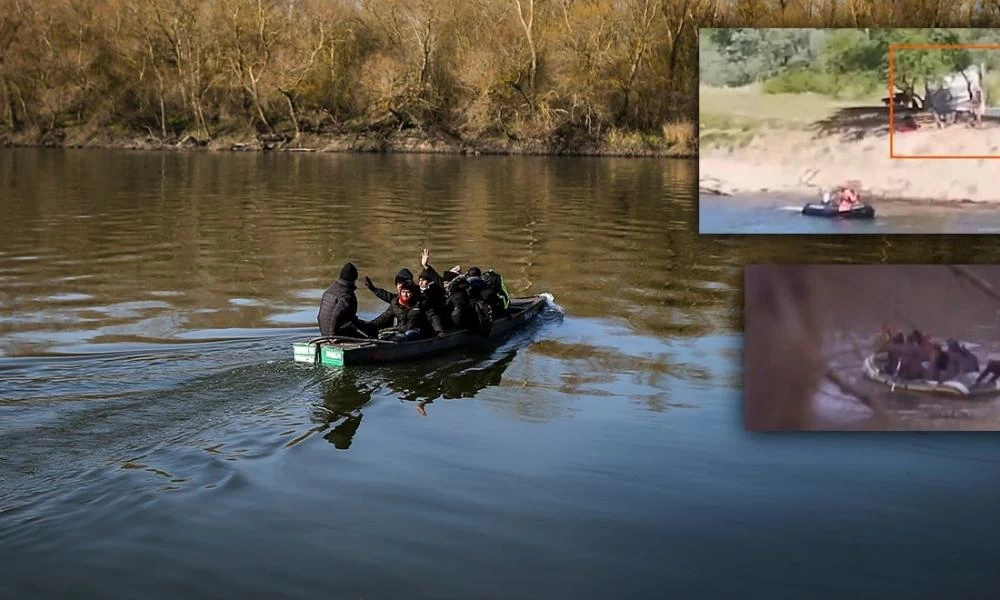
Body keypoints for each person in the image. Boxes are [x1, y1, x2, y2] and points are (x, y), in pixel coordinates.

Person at [361, 280, 446, 341]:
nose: (405, 295)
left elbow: (433, 317)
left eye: (408, 292)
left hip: (419, 332)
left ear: (413, 293)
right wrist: (369, 325)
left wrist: (439, 331)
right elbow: (384, 317)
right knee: (384, 334)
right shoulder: (396, 303)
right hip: (401, 331)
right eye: (403, 292)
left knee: (408, 334)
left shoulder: (422, 303)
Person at [317, 262, 368, 338]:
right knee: (371, 334)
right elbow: (336, 315)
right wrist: (333, 335)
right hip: (335, 334)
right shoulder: (346, 295)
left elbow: (319, 317)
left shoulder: (329, 291)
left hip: (324, 333)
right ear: (353, 279)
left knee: (363, 325)